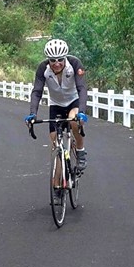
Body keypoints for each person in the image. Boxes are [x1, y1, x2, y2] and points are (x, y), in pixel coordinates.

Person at [25, 38, 88, 170]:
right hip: (56, 104)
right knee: (55, 144)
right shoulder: (43, 68)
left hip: (73, 101)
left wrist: (81, 111)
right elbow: (37, 92)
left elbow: (82, 88)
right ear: (48, 59)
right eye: (53, 60)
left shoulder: (75, 64)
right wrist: (32, 114)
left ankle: (80, 151)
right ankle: (58, 186)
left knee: (73, 121)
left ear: (65, 57)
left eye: (60, 59)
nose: (57, 63)